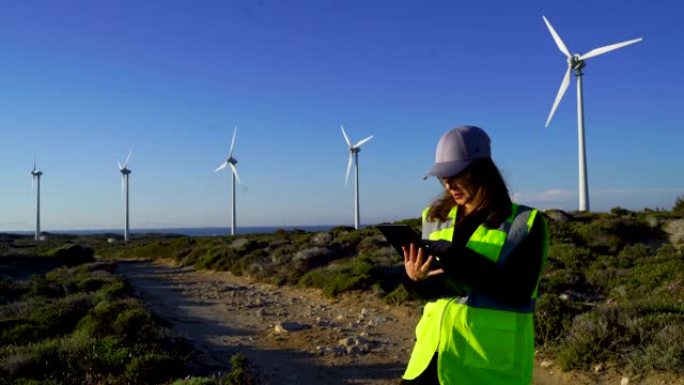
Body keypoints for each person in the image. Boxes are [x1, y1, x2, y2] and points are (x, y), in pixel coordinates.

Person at [400, 125, 548, 385]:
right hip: (429, 358)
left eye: (456, 174)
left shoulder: (525, 222)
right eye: (443, 177)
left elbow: (518, 291)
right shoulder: (435, 218)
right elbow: (429, 292)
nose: (448, 183)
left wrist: (459, 259)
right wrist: (414, 278)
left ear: (481, 171)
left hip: (486, 368)